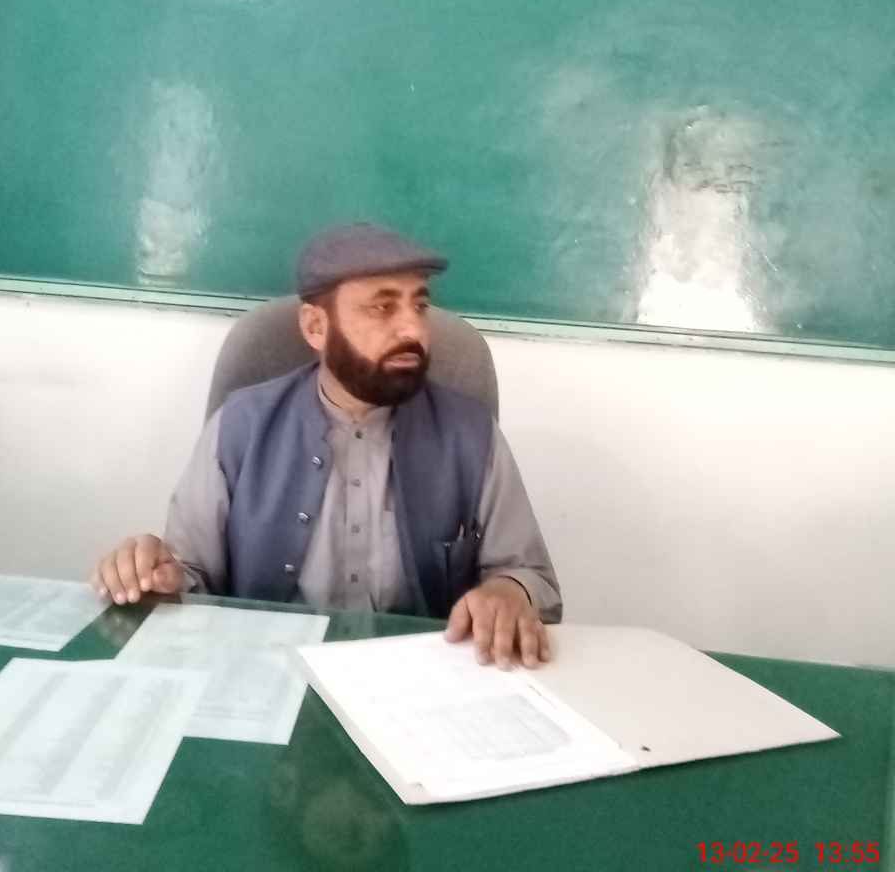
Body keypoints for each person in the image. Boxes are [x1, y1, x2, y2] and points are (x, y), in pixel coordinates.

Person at [92, 222, 561, 669]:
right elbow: (191, 575)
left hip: (418, 683)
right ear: (316, 327)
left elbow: (533, 578)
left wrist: (510, 593)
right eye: (383, 308)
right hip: (265, 672)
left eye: (419, 305)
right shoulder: (240, 427)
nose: (414, 330)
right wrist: (158, 574)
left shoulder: (471, 433)